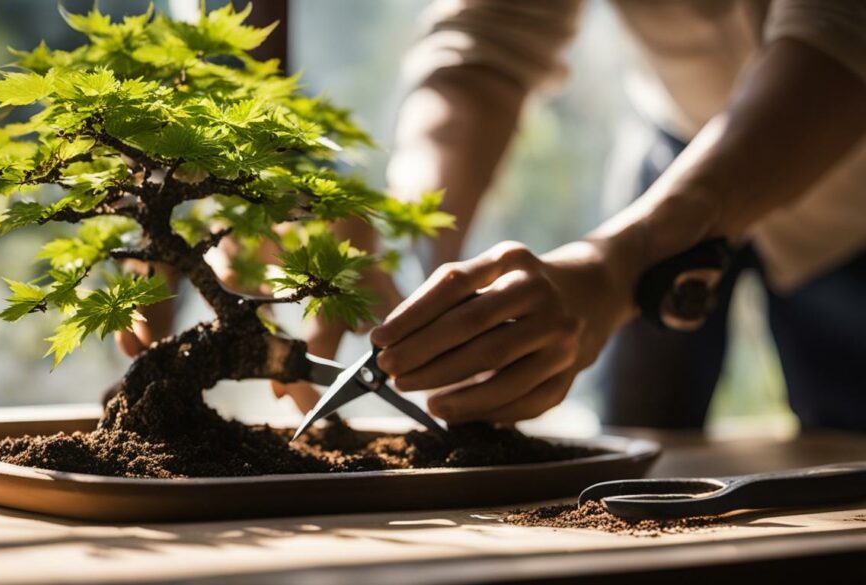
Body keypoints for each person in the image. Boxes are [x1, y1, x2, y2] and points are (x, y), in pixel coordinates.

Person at [122, 0, 866, 431]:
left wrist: (615, 268)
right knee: (637, 451)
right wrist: (410, 237)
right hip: (674, 134)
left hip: (848, 183)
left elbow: (840, 40)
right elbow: (487, 44)